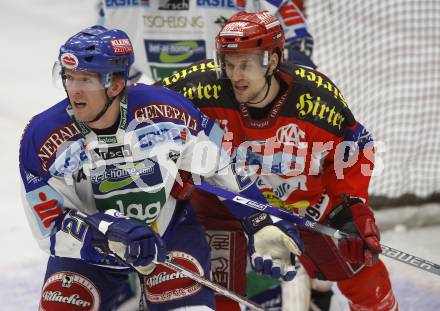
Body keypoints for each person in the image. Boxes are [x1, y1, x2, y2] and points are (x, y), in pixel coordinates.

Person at [19, 25, 304, 311]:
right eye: (68, 77)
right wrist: (105, 232)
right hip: (87, 252)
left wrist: (258, 220)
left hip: (167, 233)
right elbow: (49, 227)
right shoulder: (42, 137)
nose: (74, 90)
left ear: (116, 85)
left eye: (86, 79)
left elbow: (224, 163)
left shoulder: (168, 111)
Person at [157, 11, 399, 311]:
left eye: (245, 64)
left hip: (304, 205)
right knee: (219, 298)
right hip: (225, 207)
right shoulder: (196, 87)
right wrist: (170, 174)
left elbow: (354, 148)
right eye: (229, 64)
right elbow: (144, 116)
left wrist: (353, 208)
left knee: (369, 284)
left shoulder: (316, 100)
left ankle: (319, 295)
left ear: (271, 61)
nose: (235, 75)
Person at [97, 0, 314, 82]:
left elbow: (290, 21)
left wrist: (293, 65)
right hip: (169, 107)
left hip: (238, 102)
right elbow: (110, 71)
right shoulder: (119, 7)